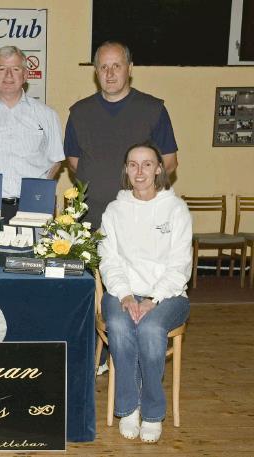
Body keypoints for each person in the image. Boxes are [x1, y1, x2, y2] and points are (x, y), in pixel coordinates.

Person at [98, 142, 192, 443]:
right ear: (126, 169)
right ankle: (129, 408)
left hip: (168, 295)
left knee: (151, 329)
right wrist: (125, 295)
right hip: (122, 291)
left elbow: (180, 263)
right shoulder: (114, 210)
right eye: (133, 164)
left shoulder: (175, 209)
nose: (140, 171)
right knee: (120, 326)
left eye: (147, 164)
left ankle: (152, 412)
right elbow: (108, 258)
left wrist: (154, 299)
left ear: (159, 168)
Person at [65, 41, 178, 230]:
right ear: (96, 71)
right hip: (89, 221)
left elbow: (169, 162)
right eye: (104, 67)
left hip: (141, 219)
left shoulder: (153, 109)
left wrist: (138, 191)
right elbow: (74, 162)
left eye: (116, 66)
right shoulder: (79, 113)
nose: (110, 74)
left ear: (130, 68)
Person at [0, 45, 64, 223]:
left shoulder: (47, 115)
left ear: (25, 75)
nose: (8, 75)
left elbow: (56, 160)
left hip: (33, 206)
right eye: (2, 69)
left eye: (15, 69)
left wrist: (38, 190)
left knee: (33, 251)